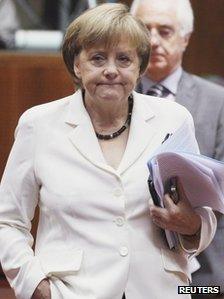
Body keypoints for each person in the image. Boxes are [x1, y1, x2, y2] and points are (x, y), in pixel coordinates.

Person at [0, 3, 216, 299]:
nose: (111, 70)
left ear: (140, 67)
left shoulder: (174, 120)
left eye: (124, 59)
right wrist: (36, 286)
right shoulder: (38, 125)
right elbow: (7, 221)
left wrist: (191, 226)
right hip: (73, 292)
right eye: (98, 58)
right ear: (77, 64)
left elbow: (203, 214)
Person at [131, 0, 224, 297]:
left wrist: (193, 222)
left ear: (185, 38)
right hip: (127, 272)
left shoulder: (217, 102)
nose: (153, 40)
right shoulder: (111, 98)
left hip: (203, 274)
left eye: (165, 31)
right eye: (144, 30)